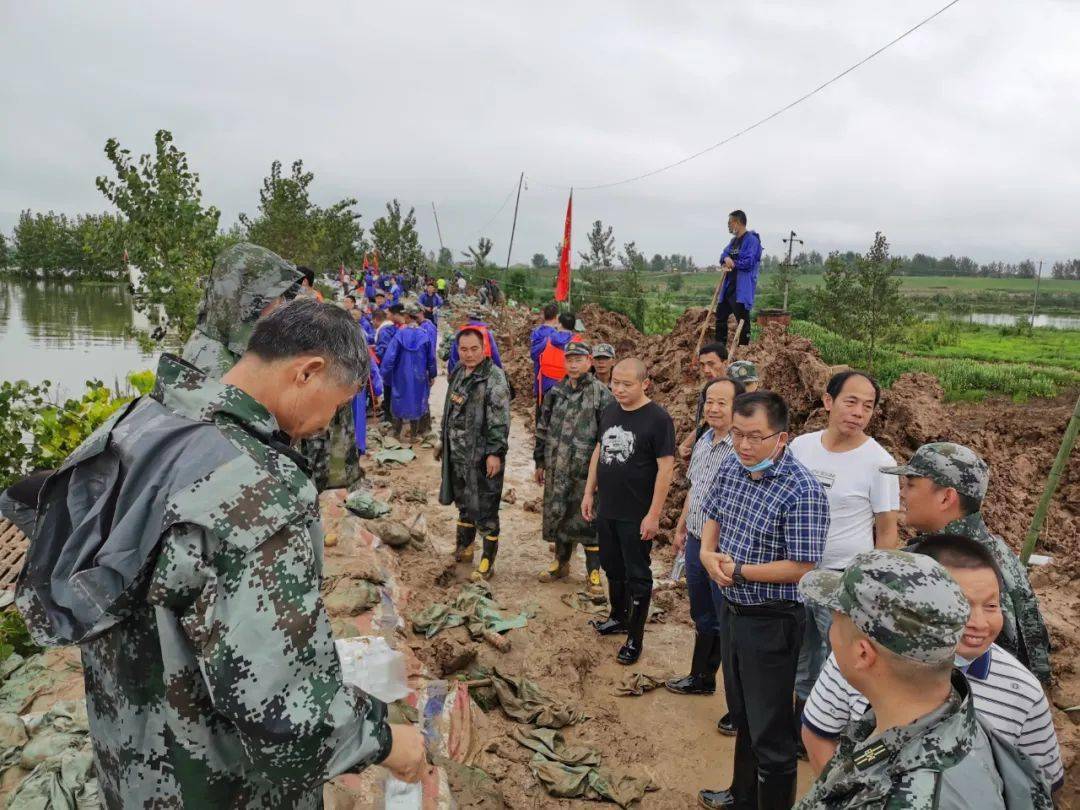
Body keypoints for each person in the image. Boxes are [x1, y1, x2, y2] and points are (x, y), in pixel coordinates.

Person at [15, 300, 426, 807]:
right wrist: (384, 741)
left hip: (128, 758)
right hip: (214, 781)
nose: (327, 423)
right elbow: (280, 701)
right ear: (308, 372)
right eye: (337, 403)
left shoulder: (140, 422)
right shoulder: (259, 489)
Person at [801, 534, 1065, 794]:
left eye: (992, 605)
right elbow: (818, 733)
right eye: (961, 607)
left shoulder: (1023, 692)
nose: (979, 623)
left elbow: (1040, 786)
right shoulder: (859, 659)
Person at [697, 390, 829, 810]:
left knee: (772, 732)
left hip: (772, 620)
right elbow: (713, 514)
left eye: (756, 437)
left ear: (782, 437)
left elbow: (803, 567)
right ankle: (741, 795)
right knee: (744, 715)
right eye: (737, 434)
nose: (744, 446)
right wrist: (706, 553)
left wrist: (739, 571)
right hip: (733, 610)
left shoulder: (802, 490)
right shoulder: (734, 467)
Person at [880, 443, 1052, 685]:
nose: (902, 493)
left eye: (910, 484)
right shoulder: (997, 549)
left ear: (946, 497)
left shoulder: (926, 566)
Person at [790, 371, 900, 729]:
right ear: (828, 402)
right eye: (851, 402)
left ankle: (838, 727)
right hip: (794, 570)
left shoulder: (878, 462)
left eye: (867, 407)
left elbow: (887, 531)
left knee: (841, 659)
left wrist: (875, 586)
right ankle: (801, 721)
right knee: (800, 651)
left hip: (842, 578)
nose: (858, 412)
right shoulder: (801, 447)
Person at [582, 359, 675, 665]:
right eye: (615, 383)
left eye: (626, 384)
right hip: (608, 507)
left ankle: (635, 638)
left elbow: (665, 469)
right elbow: (599, 449)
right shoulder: (610, 409)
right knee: (611, 565)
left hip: (636, 513)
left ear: (644, 384)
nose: (619, 389)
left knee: (638, 574)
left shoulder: (658, 419)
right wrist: (589, 491)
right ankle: (617, 617)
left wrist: (654, 514)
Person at [667, 377, 743, 696]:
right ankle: (702, 677)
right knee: (702, 614)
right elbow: (695, 489)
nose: (712, 408)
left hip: (724, 548)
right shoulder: (703, 440)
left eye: (721, 402)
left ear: (737, 407)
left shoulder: (742, 449)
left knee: (729, 621)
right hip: (697, 540)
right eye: (708, 401)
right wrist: (682, 527)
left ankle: (737, 705)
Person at [534, 342, 615, 595]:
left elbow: (609, 438)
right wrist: (539, 462)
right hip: (557, 468)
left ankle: (593, 572)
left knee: (588, 521)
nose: (573, 364)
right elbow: (542, 428)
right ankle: (561, 562)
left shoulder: (601, 394)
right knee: (559, 514)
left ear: (588, 361)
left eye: (578, 359)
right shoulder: (555, 393)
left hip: (586, 474)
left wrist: (603, 472)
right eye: (569, 359)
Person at [439, 328, 511, 582]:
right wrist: (443, 443)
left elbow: (500, 420)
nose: (468, 354)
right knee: (464, 504)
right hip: (458, 456)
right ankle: (465, 547)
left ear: (484, 349)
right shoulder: (458, 372)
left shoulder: (494, 377)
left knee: (486, 507)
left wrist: (495, 452)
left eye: (474, 349)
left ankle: (487, 561)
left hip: (481, 458)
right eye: (463, 349)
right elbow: (449, 411)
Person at [181, 241, 303, 378]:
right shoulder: (217, 364)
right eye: (276, 295)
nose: (282, 303)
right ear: (248, 302)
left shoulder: (224, 340)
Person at [381, 303, 437, 441]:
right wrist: (432, 374)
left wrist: (385, 373)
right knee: (416, 401)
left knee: (398, 399)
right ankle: (413, 435)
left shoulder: (400, 334)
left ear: (407, 316)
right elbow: (431, 358)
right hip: (419, 376)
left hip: (401, 374)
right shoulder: (424, 335)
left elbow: (390, 357)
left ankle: (396, 433)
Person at [714, 210, 762, 346]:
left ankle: (743, 351)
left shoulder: (752, 241)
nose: (728, 226)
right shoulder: (733, 241)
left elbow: (750, 262)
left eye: (730, 223)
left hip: (741, 289)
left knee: (742, 321)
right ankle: (720, 349)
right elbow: (723, 254)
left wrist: (733, 263)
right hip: (729, 286)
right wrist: (726, 257)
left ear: (738, 222)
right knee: (720, 317)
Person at [677, 341, 730, 459]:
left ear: (725, 363)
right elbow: (704, 421)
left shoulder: (736, 392)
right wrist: (687, 444)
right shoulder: (707, 390)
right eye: (702, 365)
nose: (706, 370)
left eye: (711, 364)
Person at [532, 311, 579, 414]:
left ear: (559, 324)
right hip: (570, 388)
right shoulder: (578, 343)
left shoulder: (548, 340)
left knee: (544, 418)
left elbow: (534, 356)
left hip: (546, 387)